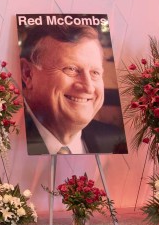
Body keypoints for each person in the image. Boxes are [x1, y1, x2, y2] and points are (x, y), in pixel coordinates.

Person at [19, 25, 126, 155]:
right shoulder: (4, 138)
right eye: (71, 69)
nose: (88, 87)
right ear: (28, 73)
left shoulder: (116, 141)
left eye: (95, 73)